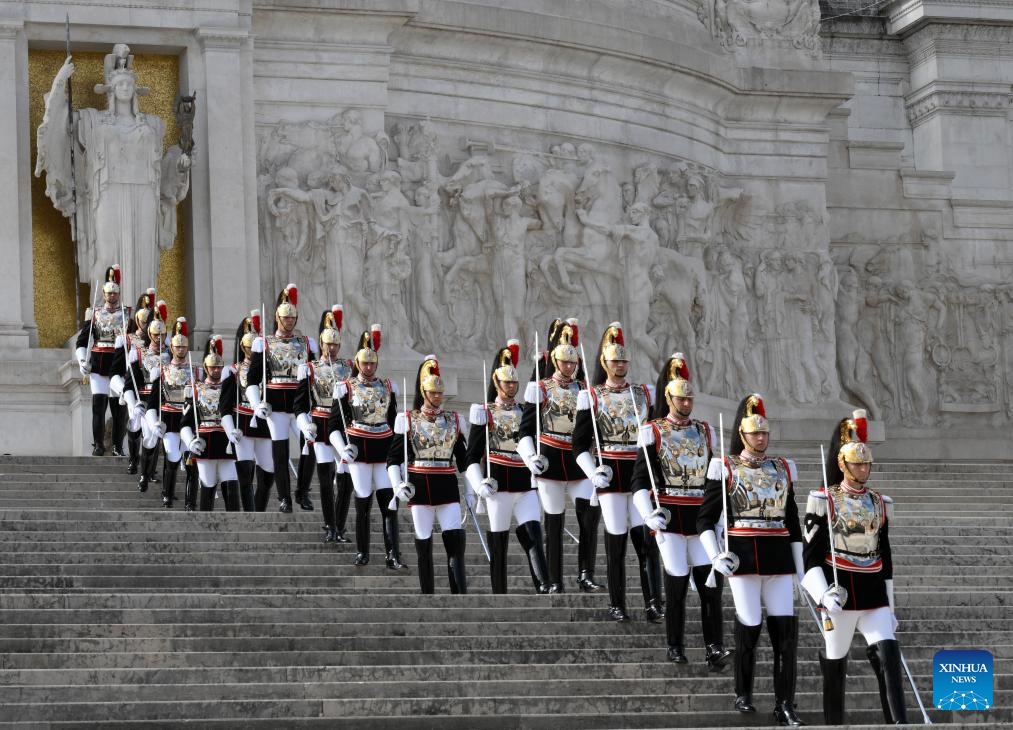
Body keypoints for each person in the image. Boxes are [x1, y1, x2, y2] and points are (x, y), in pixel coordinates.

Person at [697, 394, 805, 726]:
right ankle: (743, 692)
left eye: (764, 433)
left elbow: (793, 523)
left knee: (785, 634)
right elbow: (704, 519)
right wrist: (716, 556)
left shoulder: (782, 469)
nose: (761, 438)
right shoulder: (725, 467)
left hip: (778, 560)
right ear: (743, 435)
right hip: (743, 559)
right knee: (750, 626)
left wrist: (802, 572)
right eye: (754, 433)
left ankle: (784, 703)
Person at [802, 410, 907, 725]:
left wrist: (890, 605)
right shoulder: (823, 499)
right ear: (842, 464)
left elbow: (885, 558)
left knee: (889, 653)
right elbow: (809, 556)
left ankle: (900, 722)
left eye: (866, 463)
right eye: (857, 463)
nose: (864, 468)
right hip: (840, 591)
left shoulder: (879, 502)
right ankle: (834, 722)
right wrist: (823, 595)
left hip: (873, 592)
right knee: (836, 659)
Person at [632, 353, 731, 670]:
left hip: (701, 518)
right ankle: (675, 644)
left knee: (710, 586)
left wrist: (720, 519)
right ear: (668, 397)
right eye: (680, 398)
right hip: (671, 517)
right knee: (675, 584)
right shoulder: (653, 431)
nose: (686, 403)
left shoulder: (705, 431)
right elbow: (638, 481)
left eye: (689, 399)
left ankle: (714, 647)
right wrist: (649, 514)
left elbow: (715, 482)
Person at [572, 322, 663, 622]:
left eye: (624, 360)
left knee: (645, 539)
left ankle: (653, 602)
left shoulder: (643, 394)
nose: (620, 365)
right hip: (610, 473)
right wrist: (592, 472)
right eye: (615, 360)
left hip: (638, 472)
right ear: (604, 362)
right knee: (616, 537)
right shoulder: (592, 396)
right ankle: (617, 602)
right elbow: (579, 445)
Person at [517, 318, 602, 594]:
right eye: (564, 362)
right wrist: (531, 457)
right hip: (551, 458)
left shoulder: (584, 391)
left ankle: (586, 573)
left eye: (572, 362)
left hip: (578, 461)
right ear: (554, 360)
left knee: (589, 515)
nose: (568, 367)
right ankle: (554, 579)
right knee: (554, 521)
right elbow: (525, 430)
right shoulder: (540, 388)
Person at [466, 341, 550, 594]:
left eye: (515, 383)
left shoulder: (526, 410)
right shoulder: (485, 412)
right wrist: (478, 483)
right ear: (496, 383)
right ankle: (499, 592)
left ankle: (544, 585)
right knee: (499, 541)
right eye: (507, 382)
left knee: (533, 533)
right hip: (498, 486)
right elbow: (471, 456)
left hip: (525, 484)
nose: (512, 386)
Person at [386, 356, 468, 594]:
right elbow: (393, 459)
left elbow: (463, 461)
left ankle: (459, 594)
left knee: (455, 542)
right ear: (424, 392)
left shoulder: (454, 420)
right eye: (433, 393)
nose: (437, 397)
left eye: (440, 393)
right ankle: (428, 594)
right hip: (419, 487)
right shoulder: (408, 420)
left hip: (447, 486)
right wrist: (397, 484)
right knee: (424, 543)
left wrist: (472, 492)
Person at [328, 326, 405, 569]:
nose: (369, 367)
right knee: (363, 500)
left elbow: (394, 424)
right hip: (358, 449)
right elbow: (333, 425)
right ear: (358, 363)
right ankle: (363, 552)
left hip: (383, 450)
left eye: (372, 363)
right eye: (365, 363)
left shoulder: (388, 387)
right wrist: (342, 450)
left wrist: (399, 455)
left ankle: (393, 554)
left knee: (388, 503)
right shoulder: (346, 387)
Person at [247, 285, 318, 513]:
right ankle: (284, 497)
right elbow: (252, 380)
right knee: (280, 451)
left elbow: (314, 375)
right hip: (275, 406)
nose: (289, 321)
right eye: (285, 317)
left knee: (311, 444)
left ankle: (302, 491)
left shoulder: (306, 344)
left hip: (300, 406)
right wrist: (257, 404)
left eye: (292, 317)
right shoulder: (264, 343)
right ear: (277, 317)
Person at [295, 306, 354, 543]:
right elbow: (299, 405)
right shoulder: (309, 369)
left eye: (335, 345)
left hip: (342, 426)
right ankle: (330, 525)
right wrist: (304, 423)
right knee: (325, 475)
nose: (331, 349)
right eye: (328, 344)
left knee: (346, 480)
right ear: (321, 343)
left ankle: (339, 525)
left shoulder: (349, 368)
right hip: (319, 424)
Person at [113, 298, 168, 493]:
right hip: (144, 398)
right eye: (155, 334)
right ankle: (139, 467)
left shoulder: (171, 355)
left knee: (153, 438)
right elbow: (130, 380)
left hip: (164, 401)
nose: (159, 338)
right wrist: (133, 401)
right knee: (145, 434)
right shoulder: (138, 352)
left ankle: (147, 473)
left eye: (162, 334)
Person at [180, 336, 240, 511]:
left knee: (231, 483)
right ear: (206, 368)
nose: (216, 371)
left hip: (226, 441)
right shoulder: (196, 389)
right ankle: (206, 521)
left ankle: (235, 522)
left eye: (219, 367)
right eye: (213, 367)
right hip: (205, 442)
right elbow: (185, 422)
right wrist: (190, 441)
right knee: (207, 483)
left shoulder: (230, 389)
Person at [74, 266, 129, 457]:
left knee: (119, 408)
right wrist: (82, 360)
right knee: (99, 405)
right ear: (104, 294)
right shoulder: (95, 313)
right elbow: (82, 341)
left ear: (119, 294)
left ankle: (117, 446)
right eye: (109, 293)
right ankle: (98, 444)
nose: (112, 296)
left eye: (115, 293)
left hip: (119, 364)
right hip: (98, 363)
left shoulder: (127, 314)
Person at [144, 317, 196, 508]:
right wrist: (153, 422)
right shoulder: (162, 372)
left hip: (189, 421)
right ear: (171, 348)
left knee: (191, 459)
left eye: (184, 347)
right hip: (170, 421)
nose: (181, 349)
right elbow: (152, 403)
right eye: (177, 347)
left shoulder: (196, 372)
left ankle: (191, 501)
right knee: (173, 455)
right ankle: (167, 494)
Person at [230, 311, 274, 512]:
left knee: (268, 472)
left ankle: (259, 509)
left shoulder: (269, 369)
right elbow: (227, 402)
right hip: (243, 421)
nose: (251, 350)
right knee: (246, 471)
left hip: (264, 422)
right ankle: (249, 512)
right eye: (248, 347)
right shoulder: (233, 370)